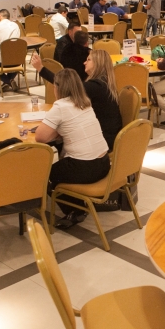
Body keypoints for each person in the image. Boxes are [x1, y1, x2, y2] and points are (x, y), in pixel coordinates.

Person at [35, 68, 110, 228]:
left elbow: (40, 137)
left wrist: (56, 131)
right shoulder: (85, 102)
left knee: (43, 174)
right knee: (62, 166)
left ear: (58, 87)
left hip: (85, 168)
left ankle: (75, 210)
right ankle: (77, 204)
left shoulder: (60, 106)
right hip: (104, 163)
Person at [33, 48, 122, 149]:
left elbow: (65, 85)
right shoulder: (104, 83)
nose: (84, 63)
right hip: (108, 135)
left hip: (102, 139)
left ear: (98, 63)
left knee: (55, 134)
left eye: (88, 60)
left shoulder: (96, 86)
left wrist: (41, 68)